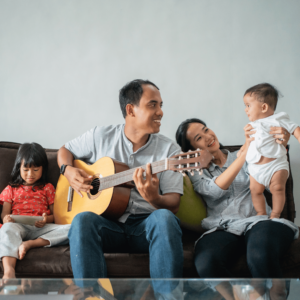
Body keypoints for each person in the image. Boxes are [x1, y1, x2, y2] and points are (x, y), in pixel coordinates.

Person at [57, 79, 184, 298]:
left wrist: (155, 199)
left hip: (146, 226)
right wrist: (67, 170)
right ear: (130, 109)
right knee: (82, 220)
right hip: (109, 225)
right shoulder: (100, 136)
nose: (161, 112)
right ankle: (93, 297)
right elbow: (65, 149)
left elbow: (173, 203)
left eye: (161, 105)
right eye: (153, 105)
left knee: (164, 218)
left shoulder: (170, 150)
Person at [175, 118, 299, 283]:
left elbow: (271, 183)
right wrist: (244, 154)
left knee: (260, 255)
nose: (207, 136)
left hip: (259, 221)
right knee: (206, 262)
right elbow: (214, 190)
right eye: (198, 138)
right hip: (223, 228)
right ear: (192, 150)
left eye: (205, 130)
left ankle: (275, 294)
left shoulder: (252, 153)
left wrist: (278, 148)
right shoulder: (196, 173)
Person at [0, 143, 70, 279]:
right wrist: (6, 219)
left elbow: (54, 216)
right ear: (18, 168)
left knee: (72, 228)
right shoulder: (11, 188)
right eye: (25, 170)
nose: (30, 174)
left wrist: (46, 220)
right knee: (6, 229)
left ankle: (30, 244)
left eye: (36, 169)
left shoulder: (48, 188)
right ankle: (9, 272)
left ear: (43, 169)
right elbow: (5, 213)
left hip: (42, 228)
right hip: (17, 226)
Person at [242, 83, 300, 219]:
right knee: (255, 191)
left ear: (264, 107)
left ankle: (275, 213)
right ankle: (261, 212)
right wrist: (243, 150)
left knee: (278, 188)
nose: (245, 110)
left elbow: (295, 129)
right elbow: (249, 145)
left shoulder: (278, 119)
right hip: (255, 168)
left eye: (248, 105)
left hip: (275, 165)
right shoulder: (251, 126)